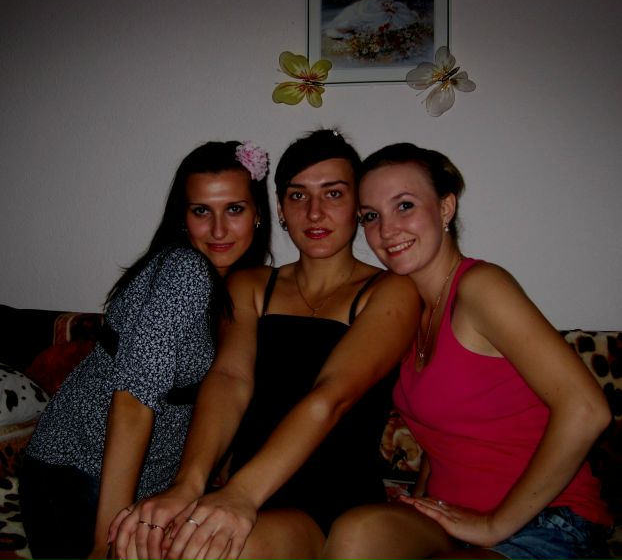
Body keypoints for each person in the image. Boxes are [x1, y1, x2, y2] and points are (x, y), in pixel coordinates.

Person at [110, 129, 420, 560]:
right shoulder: (251, 284)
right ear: (280, 208)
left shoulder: (392, 290)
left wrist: (240, 494)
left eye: (333, 194)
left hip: (331, 502)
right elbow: (229, 378)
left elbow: (331, 397)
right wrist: (188, 484)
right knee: (152, 545)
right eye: (298, 196)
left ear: (357, 206)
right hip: (244, 497)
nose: (314, 212)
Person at [322, 143, 613, 560]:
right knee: (357, 533)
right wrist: (419, 502)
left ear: (445, 208)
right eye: (371, 216)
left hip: (547, 521)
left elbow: (587, 410)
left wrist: (494, 525)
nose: (386, 230)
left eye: (404, 205)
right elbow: (445, 433)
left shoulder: (481, 287)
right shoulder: (404, 309)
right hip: (451, 518)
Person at [19, 140, 272, 560]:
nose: (218, 230)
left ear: (257, 213)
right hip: (81, 475)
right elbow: (133, 401)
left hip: (140, 488)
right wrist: (106, 541)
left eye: (234, 209)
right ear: (182, 217)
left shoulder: (239, 288)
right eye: (201, 211)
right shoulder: (185, 271)